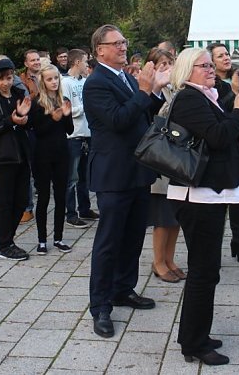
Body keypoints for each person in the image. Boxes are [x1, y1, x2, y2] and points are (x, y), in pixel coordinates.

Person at [166, 48, 239, 366]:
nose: (210, 69)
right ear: (186, 70)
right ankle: (194, 343)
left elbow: (233, 135)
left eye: (210, 65)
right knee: (204, 273)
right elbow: (220, 137)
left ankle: (195, 335)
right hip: (198, 197)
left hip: (210, 193)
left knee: (207, 272)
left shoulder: (208, 95)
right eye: (203, 65)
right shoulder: (190, 98)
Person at [83, 24, 169, 339]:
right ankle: (100, 306)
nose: (122, 47)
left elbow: (143, 116)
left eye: (124, 41)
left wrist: (155, 91)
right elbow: (119, 120)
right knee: (109, 242)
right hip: (113, 173)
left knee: (133, 235)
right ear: (99, 50)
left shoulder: (127, 79)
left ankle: (123, 289)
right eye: (116, 43)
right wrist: (145, 91)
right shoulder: (95, 84)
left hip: (137, 169)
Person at [0, 58, 32, 261]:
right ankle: (4, 244)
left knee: (21, 201)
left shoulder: (19, 94)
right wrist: (11, 120)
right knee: (5, 202)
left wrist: (25, 119)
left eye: (9, 78)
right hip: (3, 157)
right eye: (2, 79)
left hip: (21, 154)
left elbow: (28, 123)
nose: (6, 83)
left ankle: (6, 234)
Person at [207, 42, 239, 263]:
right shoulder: (211, 84)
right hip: (219, 149)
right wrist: (234, 94)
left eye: (227, 54)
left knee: (238, 199)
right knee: (217, 203)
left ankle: (238, 242)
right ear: (211, 62)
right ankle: (214, 247)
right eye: (220, 55)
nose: (226, 58)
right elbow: (220, 115)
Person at [144, 48, 184, 282]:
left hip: (175, 159)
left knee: (175, 215)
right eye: (161, 63)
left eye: (170, 62)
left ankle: (170, 259)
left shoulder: (173, 87)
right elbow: (155, 117)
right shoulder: (152, 90)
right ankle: (158, 261)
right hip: (160, 159)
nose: (167, 66)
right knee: (162, 215)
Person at [30, 64, 74, 254]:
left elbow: (70, 130)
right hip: (42, 154)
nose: (54, 82)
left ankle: (59, 237)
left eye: (56, 78)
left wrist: (65, 116)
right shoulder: (36, 102)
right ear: (43, 81)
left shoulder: (63, 99)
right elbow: (37, 131)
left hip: (62, 153)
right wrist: (52, 119)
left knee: (61, 196)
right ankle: (41, 240)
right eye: (49, 79)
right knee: (44, 197)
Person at [61, 49, 98, 227]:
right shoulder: (64, 82)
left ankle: (85, 208)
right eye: (85, 61)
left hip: (87, 133)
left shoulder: (86, 82)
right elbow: (66, 110)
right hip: (73, 135)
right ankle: (70, 213)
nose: (87, 65)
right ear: (76, 62)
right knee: (72, 177)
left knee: (85, 175)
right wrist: (84, 108)